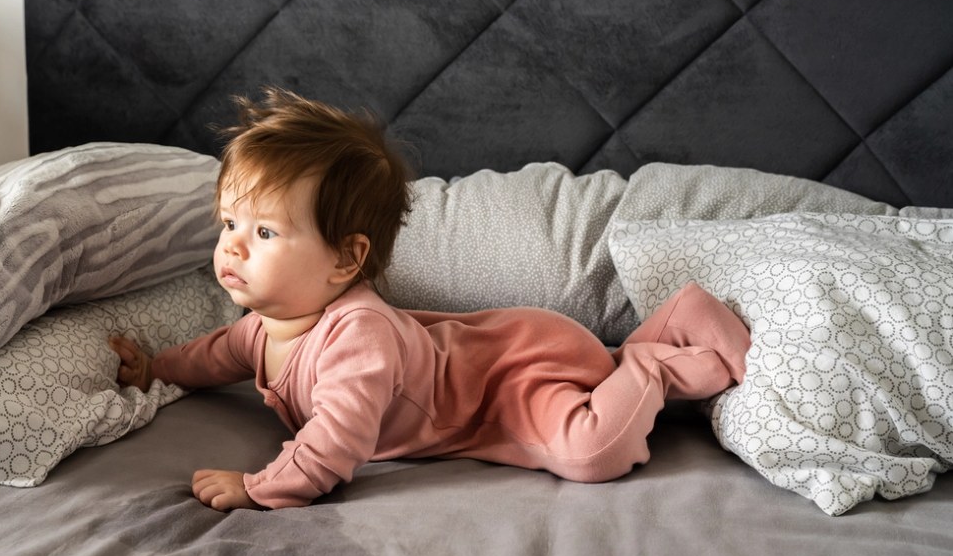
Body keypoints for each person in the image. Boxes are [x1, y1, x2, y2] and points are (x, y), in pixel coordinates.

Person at [108, 88, 751, 511]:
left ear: (346, 258)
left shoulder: (356, 334)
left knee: (591, 453)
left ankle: (655, 359)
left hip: (509, 379)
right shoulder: (264, 326)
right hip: (490, 359)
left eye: (266, 231)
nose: (234, 248)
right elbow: (217, 355)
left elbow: (337, 440)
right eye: (230, 225)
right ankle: (645, 347)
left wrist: (259, 488)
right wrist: (156, 367)